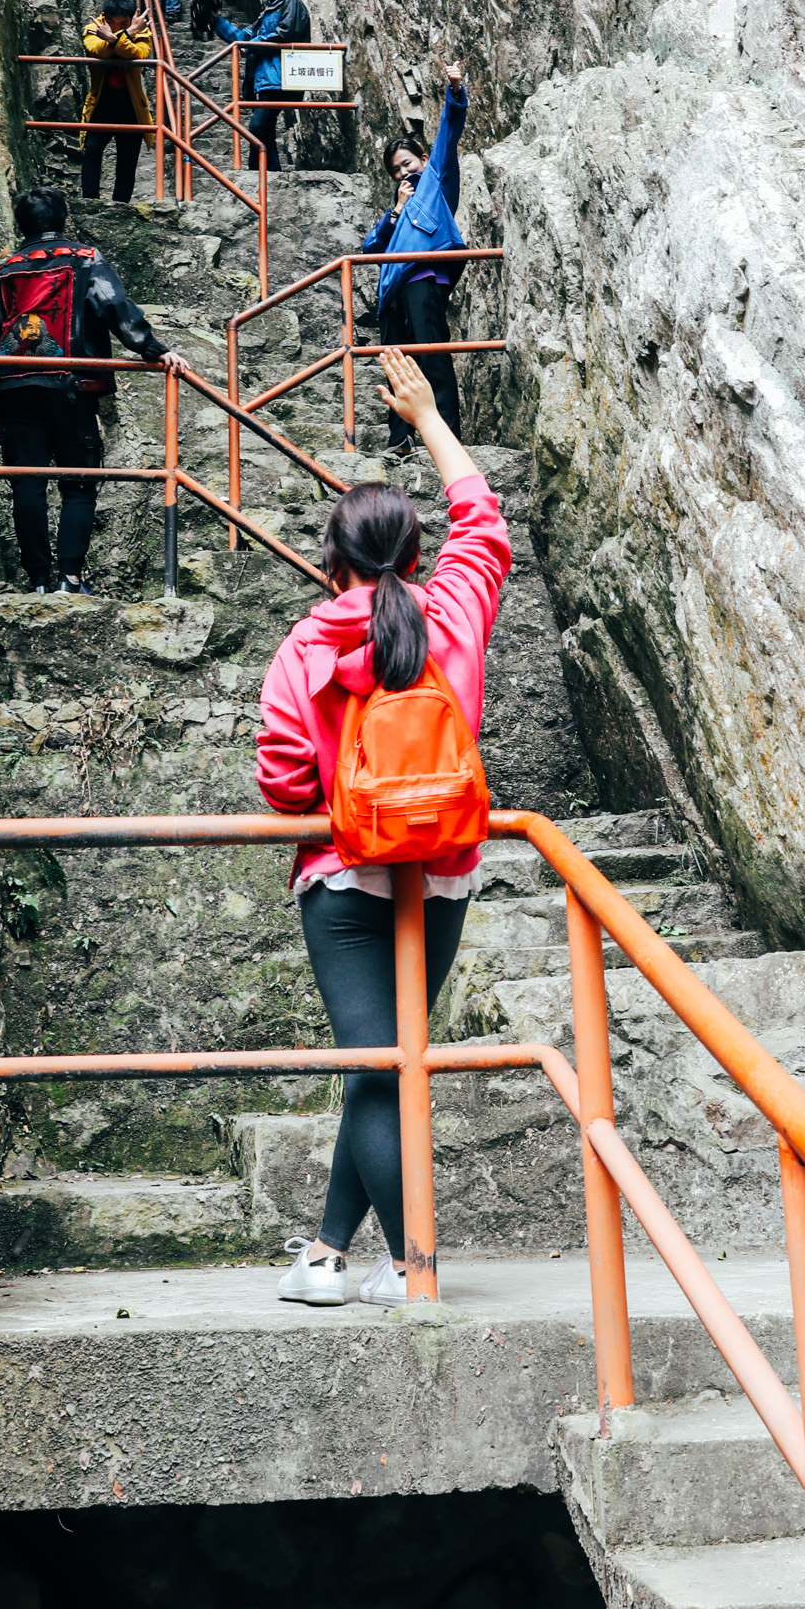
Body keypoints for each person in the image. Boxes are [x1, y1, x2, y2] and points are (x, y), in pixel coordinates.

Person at [255, 344, 512, 1305]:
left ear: (331, 562)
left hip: (343, 872)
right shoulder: (455, 611)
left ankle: (409, 1266)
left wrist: (335, 792)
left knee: (375, 1066)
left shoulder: (308, 642)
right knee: (385, 1063)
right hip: (442, 867)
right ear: (413, 553)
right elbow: (481, 521)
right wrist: (427, 418)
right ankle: (327, 1258)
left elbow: (283, 780)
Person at [0, 187, 185, 595]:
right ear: (62, 218)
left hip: (14, 387)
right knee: (79, 480)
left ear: (21, 224)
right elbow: (114, 307)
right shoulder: (85, 259)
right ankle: (69, 578)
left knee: (27, 482)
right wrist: (154, 350)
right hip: (72, 385)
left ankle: (37, 579)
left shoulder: (2, 272)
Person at [362, 62, 469, 451]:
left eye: (407, 164)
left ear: (423, 159)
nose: (402, 173)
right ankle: (400, 438)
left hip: (424, 278)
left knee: (432, 355)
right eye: (395, 171)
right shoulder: (398, 208)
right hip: (392, 292)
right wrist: (395, 210)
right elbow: (370, 249)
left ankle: (448, 435)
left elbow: (448, 134)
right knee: (398, 365)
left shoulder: (434, 182)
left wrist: (454, 91)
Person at [213, 0, 311, 172]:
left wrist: (252, 45)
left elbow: (285, 33)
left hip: (282, 77)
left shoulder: (291, 2)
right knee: (264, 128)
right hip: (269, 78)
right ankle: (270, 175)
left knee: (258, 126)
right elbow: (244, 37)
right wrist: (216, 20)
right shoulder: (269, 9)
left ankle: (260, 175)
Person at [79, 0, 153, 203]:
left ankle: (121, 205)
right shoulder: (93, 28)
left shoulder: (142, 32)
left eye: (123, 24)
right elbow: (97, 50)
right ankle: (90, 202)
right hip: (101, 104)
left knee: (127, 161)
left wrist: (113, 39)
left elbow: (138, 53)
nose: (115, 27)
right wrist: (127, 35)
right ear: (104, 17)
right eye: (111, 22)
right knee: (92, 152)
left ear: (132, 20)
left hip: (131, 106)